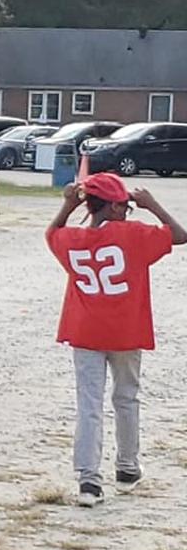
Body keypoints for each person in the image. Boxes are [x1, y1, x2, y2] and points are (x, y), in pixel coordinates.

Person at [46, 173, 186, 507]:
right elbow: (180, 235)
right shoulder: (133, 234)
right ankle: (126, 466)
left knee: (89, 405)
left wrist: (68, 205)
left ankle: (89, 481)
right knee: (126, 398)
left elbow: (52, 233)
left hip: (85, 331)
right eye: (123, 205)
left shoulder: (73, 238)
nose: (127, 210)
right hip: (126, 330)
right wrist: (152, 205)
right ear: (111, 205)